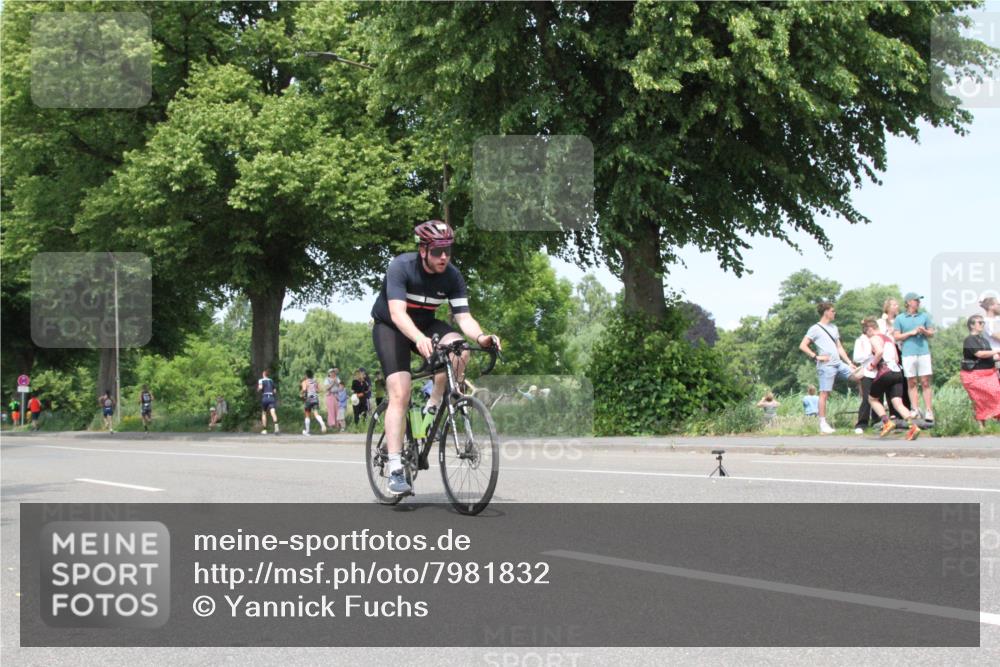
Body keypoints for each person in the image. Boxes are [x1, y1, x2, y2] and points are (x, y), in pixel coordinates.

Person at [370, 220, 500, 495]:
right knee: (401, 394)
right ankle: (395, 468)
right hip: (392, 328)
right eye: (438, 251)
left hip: (426, 324)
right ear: (423, 250)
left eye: (448, 251)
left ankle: (434, 404)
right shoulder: (401, 267)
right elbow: (397, 314)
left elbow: (464, 317)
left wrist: (482, 338)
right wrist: (417, 339)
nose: (444, 257)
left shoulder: (452, 276)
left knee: (460, 350)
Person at [798, 302, 859, 434]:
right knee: (824, 393)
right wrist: (815, 357)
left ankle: (864, 414)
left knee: (860, 377)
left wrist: (849, 362)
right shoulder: (815, 328)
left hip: (839, 363)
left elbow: (839, 347)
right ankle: (823, 423)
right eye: (832, 311)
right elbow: (803, 345)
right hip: (826, 365)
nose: (834, 313)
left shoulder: (834, 328)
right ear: (825, 312)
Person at [862, 319, 921, 440]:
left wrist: (872, 365)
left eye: (866, 333)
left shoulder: (874, 338)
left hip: (885, 371)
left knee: (872, 399)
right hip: (898, 372)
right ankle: (913, 426)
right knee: (897, 402)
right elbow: (896, 359)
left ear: (870, 329)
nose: (867, 337)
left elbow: (879, 352)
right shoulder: (889, 339)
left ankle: (886, 422)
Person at [893, 293, 936, 422]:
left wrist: (924, 331)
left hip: (923, 352)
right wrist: (911, 333)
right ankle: (915, 409)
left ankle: (929, 410)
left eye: (918, 300)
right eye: (916, 300)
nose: (918, 302)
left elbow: (932, 333)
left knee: (925, 381)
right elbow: (896, 336)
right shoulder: (900, 318)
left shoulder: (924, 316)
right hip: (908, 353)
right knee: (911, 382)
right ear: (908, 302)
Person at [960, 314, 1000, 429]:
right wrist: (996, 351)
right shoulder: (969, 340)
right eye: (980, 322)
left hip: (989, 373)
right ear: (972, 325)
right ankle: (981, 426)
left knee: (993, 395)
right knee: (982, 399)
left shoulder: (984, 340)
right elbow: (979, 354)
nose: (983, 324)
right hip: (974, 376)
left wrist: (997, 356)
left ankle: (985, 426)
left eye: (983, 322)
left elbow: (989, 357)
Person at [852, 323, 877, 434]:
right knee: (866, 398)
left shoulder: (877, 339)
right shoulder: (860, 341)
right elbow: (857, 357)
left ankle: (877, 421)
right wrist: (869, 354)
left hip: (879, 372)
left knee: (878, 397)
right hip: (867, 372)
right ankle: (862, 423)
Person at [300, 369, 327, 436]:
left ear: (306, 375)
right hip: (315, 399)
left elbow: (304, 390)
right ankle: (322, 423)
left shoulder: (305, 382)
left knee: (307, 415)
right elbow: (318, 390)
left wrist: (301, 393)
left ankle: (307, 431)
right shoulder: (315, 381)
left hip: (308, 399)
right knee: (316, 414)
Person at [257, 369, 279, 435]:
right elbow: (275, 391)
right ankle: (276, 427)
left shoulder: (261, 380)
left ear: (263, 374)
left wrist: (258, 389)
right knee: (273, 412)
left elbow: (260, 387)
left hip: (265, 397)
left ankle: (264, 429)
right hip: (271, 397)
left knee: (264, 413)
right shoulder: (271, 380)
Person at [981, 297, 1000, 370]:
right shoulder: (988, 322)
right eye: (998, 304)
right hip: (997, 357)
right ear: (991, 307)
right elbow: (998, 337)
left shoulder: (997, 319)